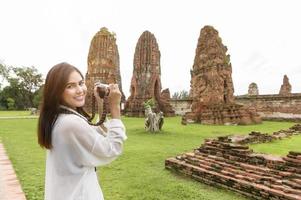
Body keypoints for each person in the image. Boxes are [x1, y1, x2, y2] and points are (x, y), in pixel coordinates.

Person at [37, 62, 127, 200]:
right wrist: (115, 108)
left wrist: (101, 103)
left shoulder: (58, 117)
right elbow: (111, 149)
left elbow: (94, 131)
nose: (80, 90)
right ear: (56, 91)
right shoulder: (71, 123)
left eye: (81, 83)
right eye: (70, 86)